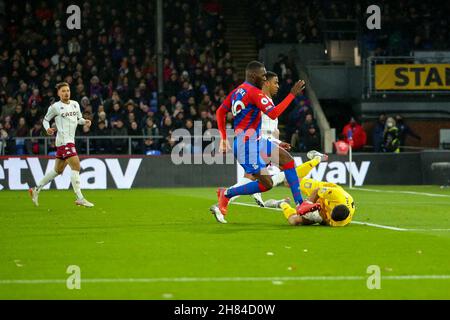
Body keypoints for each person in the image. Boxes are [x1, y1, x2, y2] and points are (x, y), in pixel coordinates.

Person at [213, 60, 320, 224]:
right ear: (253, 75)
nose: (264, 79)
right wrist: (292, 94)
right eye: (263, 76)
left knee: (288, 161)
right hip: (246, 147)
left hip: (257, 141)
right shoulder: (254, 93)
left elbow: (220, 111)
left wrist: (223, 137)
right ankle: (226, 194)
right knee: (267, 184)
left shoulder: (237, 91)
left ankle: (300, 204)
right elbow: (274, 113)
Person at [227, 71, 289, 208]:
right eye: (275, 83)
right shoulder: (258, 99)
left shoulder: (268, 100)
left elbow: (273, 127)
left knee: (252, 176)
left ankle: (231, 197)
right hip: (259, 142)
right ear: (266, 83)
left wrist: (278, 141)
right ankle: (226, 196)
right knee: (286, 167)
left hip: (261, 141)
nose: (278, 86)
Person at [28, 82, 94, 207]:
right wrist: (47, 129)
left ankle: (36, 189)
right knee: (76, 166)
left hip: (68, 141)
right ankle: (79, 197)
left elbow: (78, 119)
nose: (66, 93)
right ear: (58, 93)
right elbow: (46, 120)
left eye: (68, 90)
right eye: (63, 91)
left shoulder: (75, 104)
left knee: (58, 170)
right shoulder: (55, 107)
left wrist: (85, 121)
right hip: (64, 142)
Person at [279, 151, 355, 227]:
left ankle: (283, 203)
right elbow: (317, 190)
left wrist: (318, 217)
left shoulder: (341, 222)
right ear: (334, 206)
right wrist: (307, 205)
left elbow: (327, 222)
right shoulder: (335, 194)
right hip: (325, 190)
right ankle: (317, 158)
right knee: (288, 181)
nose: (330, 218)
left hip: (322, 211)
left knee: (294, 221)